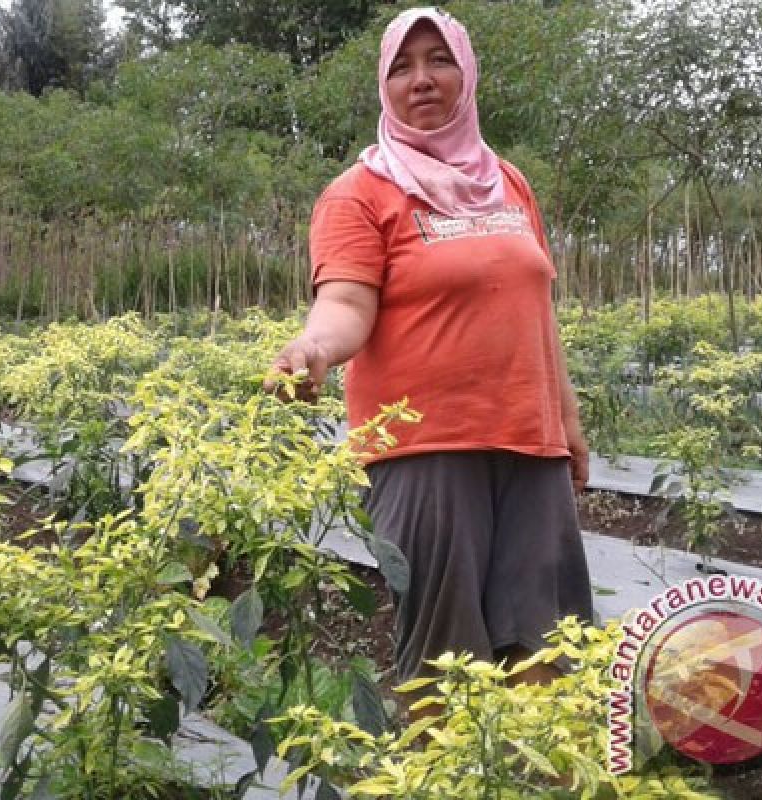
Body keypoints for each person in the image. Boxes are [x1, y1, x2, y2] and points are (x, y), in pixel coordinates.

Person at [264, 7, 594, 689]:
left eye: (439, 60)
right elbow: (346, 305)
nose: (422, 79)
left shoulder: (508, 182)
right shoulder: (359, 193)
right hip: (424, 452)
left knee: (550, 651)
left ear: (466, 75)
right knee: (448, 666)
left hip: (529, 447)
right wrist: (314, 346)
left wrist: (568, 422)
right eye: (402, 66)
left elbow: (538, 309)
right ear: (383, 86)